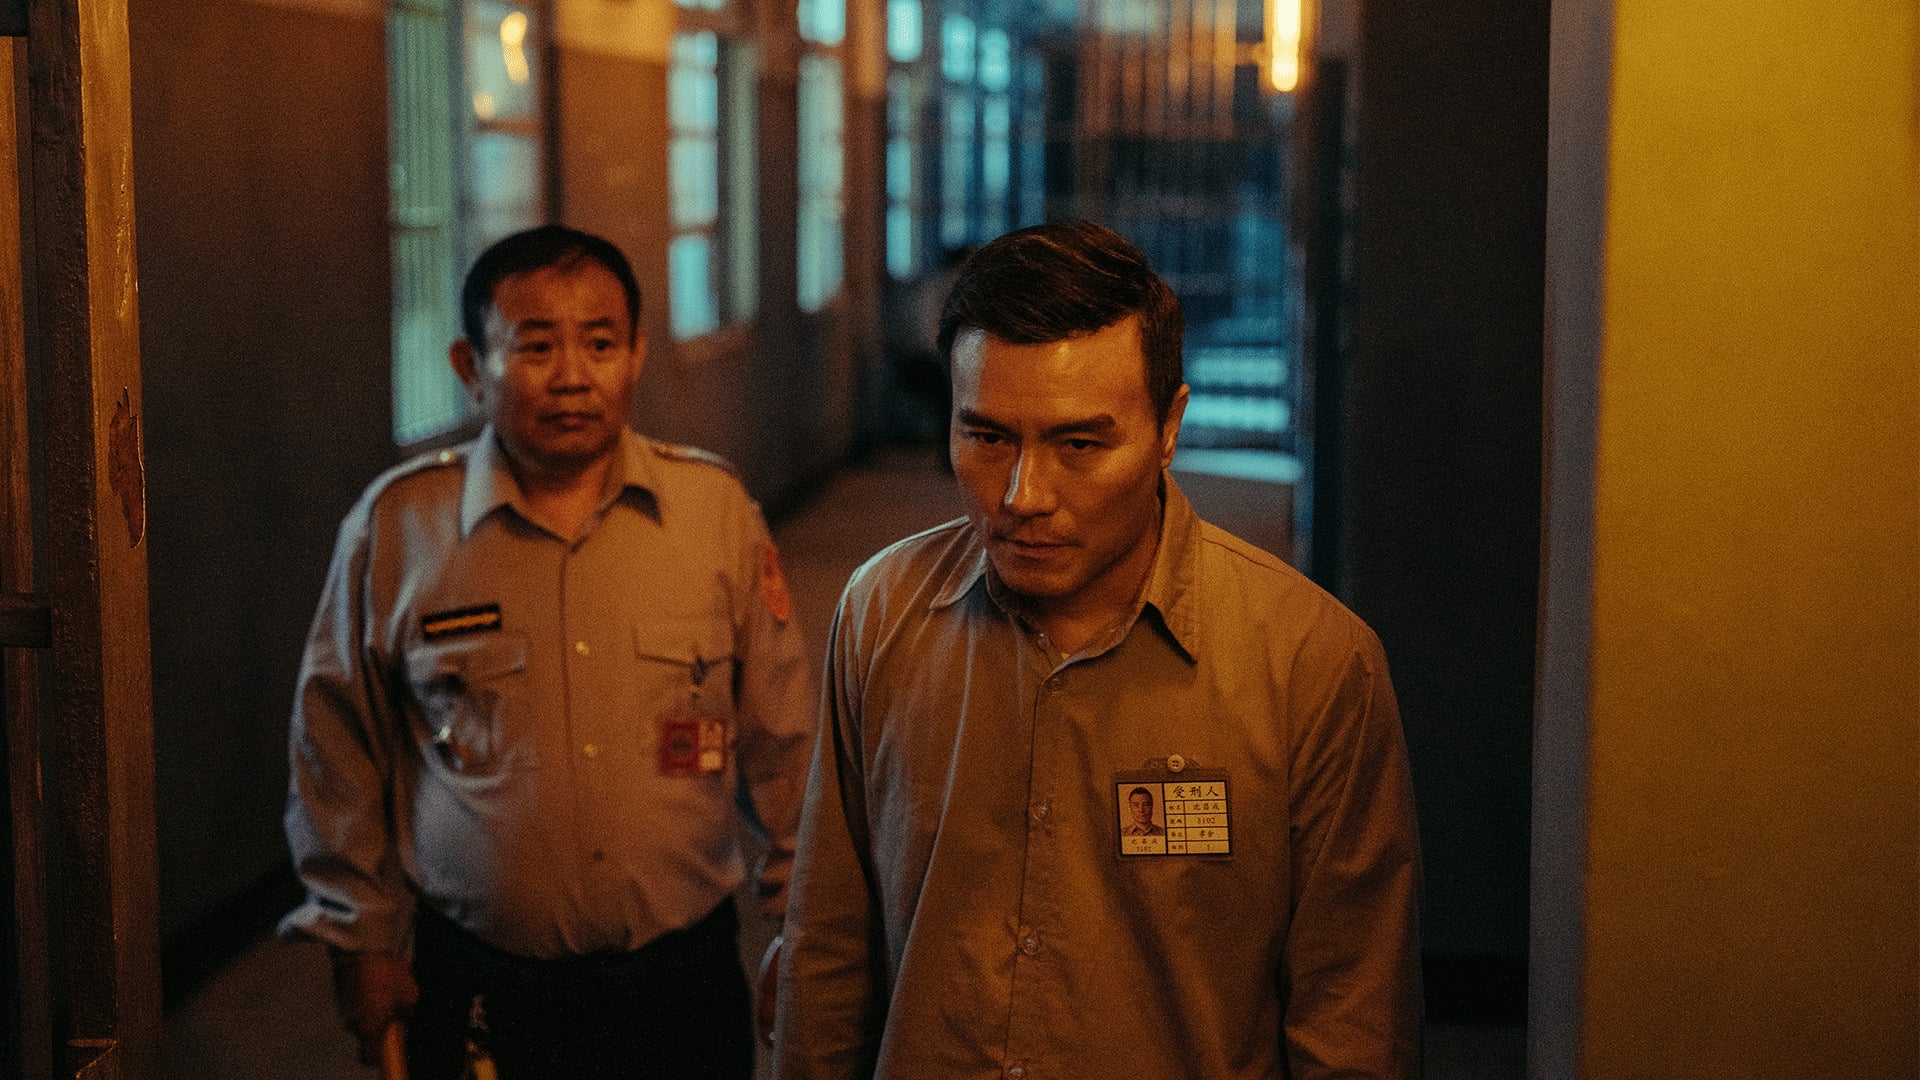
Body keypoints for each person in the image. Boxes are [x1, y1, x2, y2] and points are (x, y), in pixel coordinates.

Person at [773, 220, 1421, 1079]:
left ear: (1169, 427)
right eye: (987, 437)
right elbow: (827, 948)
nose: (1023, 495)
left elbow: (1354, 1014)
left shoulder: (1312, 662)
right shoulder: (881, 614)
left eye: (1079, 445)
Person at [281, 224, 814, 1079]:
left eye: (600, 344)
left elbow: (784, 745)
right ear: (470, 366)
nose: (572, 377)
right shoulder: (399, 530)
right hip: (482, 985)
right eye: (534, 347)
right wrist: (358, 937)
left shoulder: (713, 513)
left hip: (680, 983)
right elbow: (336, 745)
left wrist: (801, 927)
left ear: (636, 355)